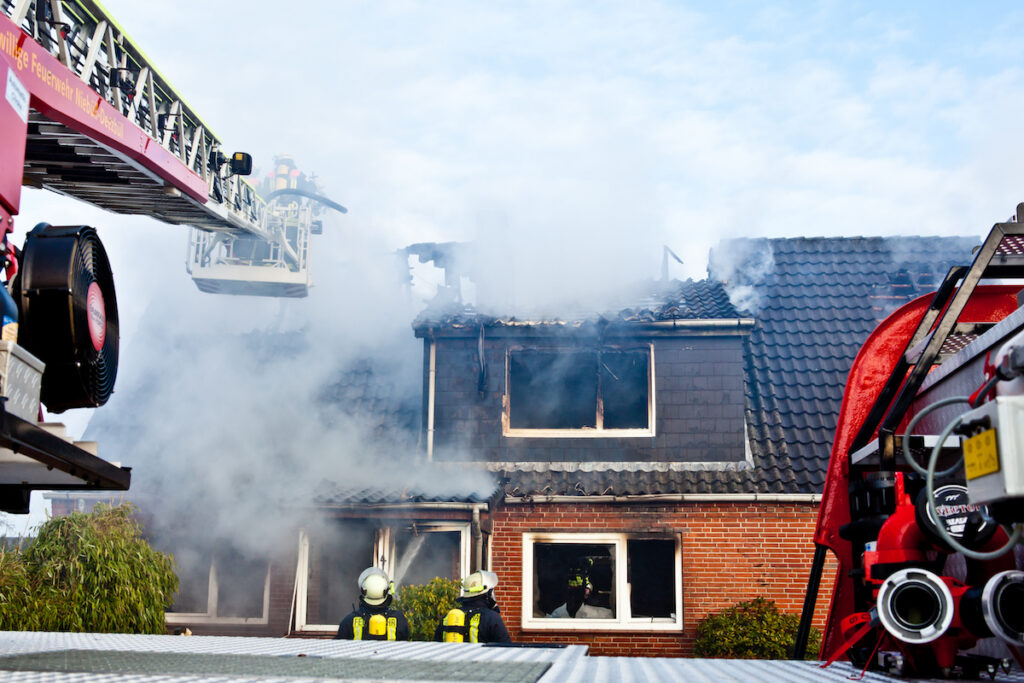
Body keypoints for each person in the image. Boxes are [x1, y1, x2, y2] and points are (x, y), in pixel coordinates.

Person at [435, 570, 511, 643]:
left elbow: (436, 646)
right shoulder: (492, 618)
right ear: (487, 594)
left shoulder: (447, 617)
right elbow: (506, 648)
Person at [335, 567, 410, 641]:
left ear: (364, 591)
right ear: (386, 591)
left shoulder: (350, 620)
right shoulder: (399, 619)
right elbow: (404, 643)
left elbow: (339, 645)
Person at [547, 561, 614, 619]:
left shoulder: (601, 614)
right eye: (570, 593)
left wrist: (588, 588)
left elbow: (588, 583)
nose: (573, 597)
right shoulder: (557, 614)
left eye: (577, 593)